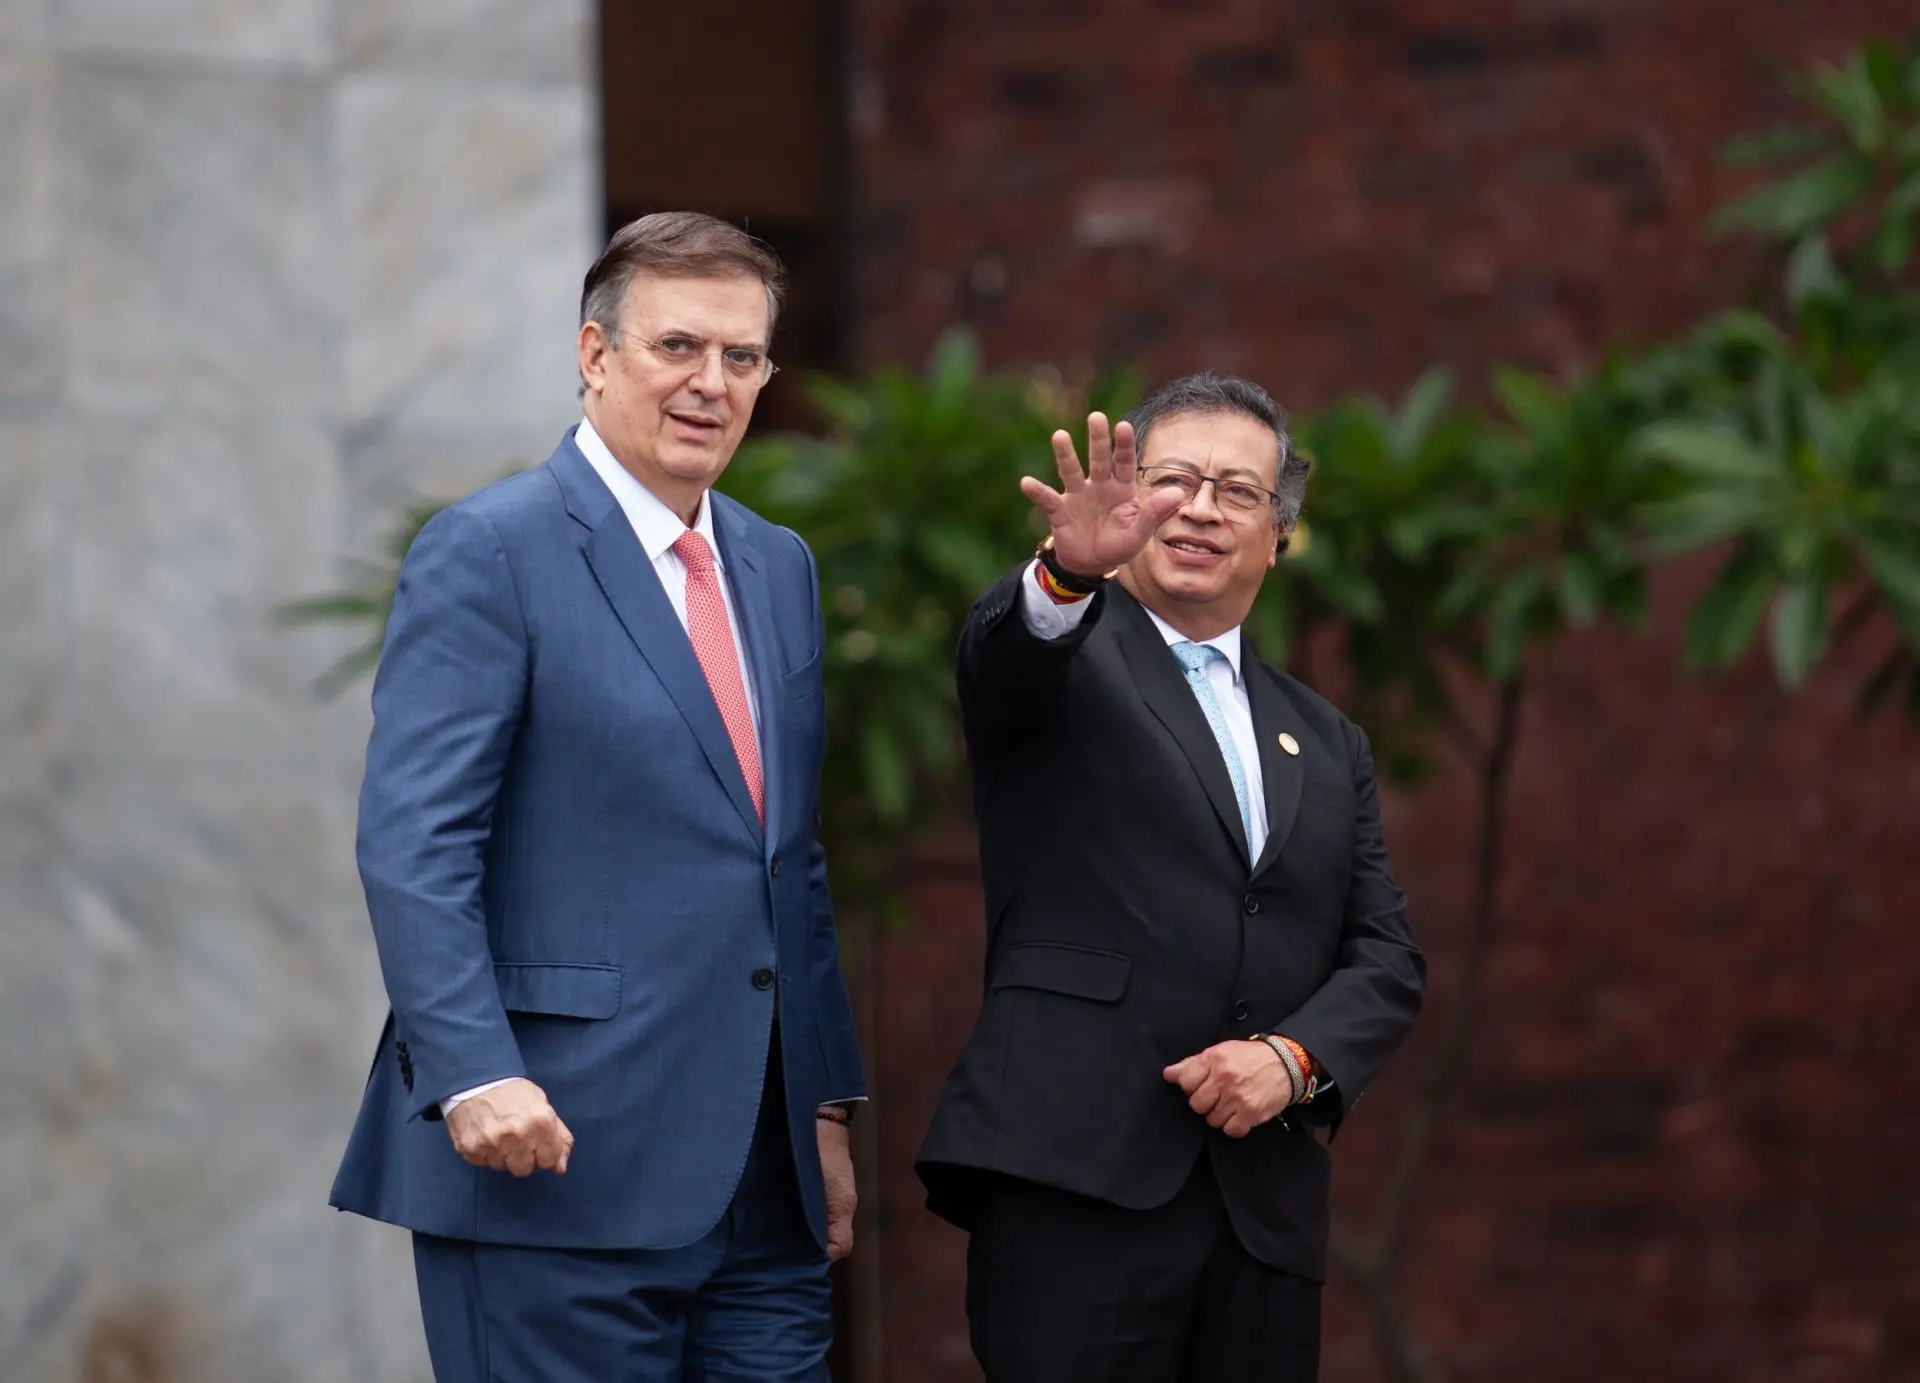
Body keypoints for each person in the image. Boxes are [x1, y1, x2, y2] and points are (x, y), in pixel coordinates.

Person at [330, 212, 866, 1382]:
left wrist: (821, 1108)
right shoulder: (491, 549)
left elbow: (788, 858)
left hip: (761, 1183)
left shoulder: (779, 566)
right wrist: (472, 1067)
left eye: (742, 357)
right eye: (678, 346)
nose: (711, 384)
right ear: (593, 354)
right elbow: (417, 843)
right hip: (547, 1160)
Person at [917, 373, 1425, 1382]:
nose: (1200, 507)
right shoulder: (1068, 652)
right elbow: (1002, 659)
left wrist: (1294, 1057)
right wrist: (1066, 573)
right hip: (1076, 1180)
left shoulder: (1325, 741)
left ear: (1279, 534)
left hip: (1260, 1212)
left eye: (1237, 492)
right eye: (1175, 479)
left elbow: (1386, 954)